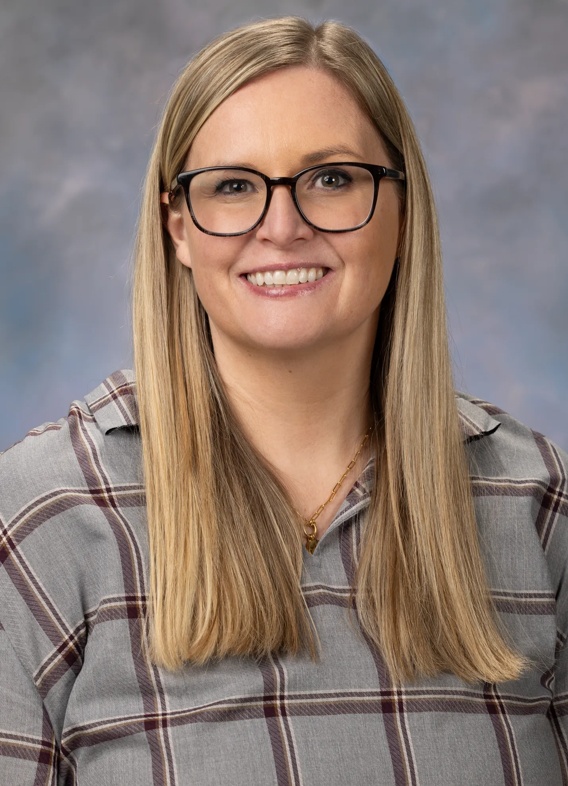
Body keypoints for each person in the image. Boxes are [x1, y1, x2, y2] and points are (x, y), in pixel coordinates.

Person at [0, 16, 567, 786]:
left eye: (331, 179)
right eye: (233, 186)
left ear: (402, 209)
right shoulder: (40, 522)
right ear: (178, 228)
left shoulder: (537, 505)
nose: (283, 226)